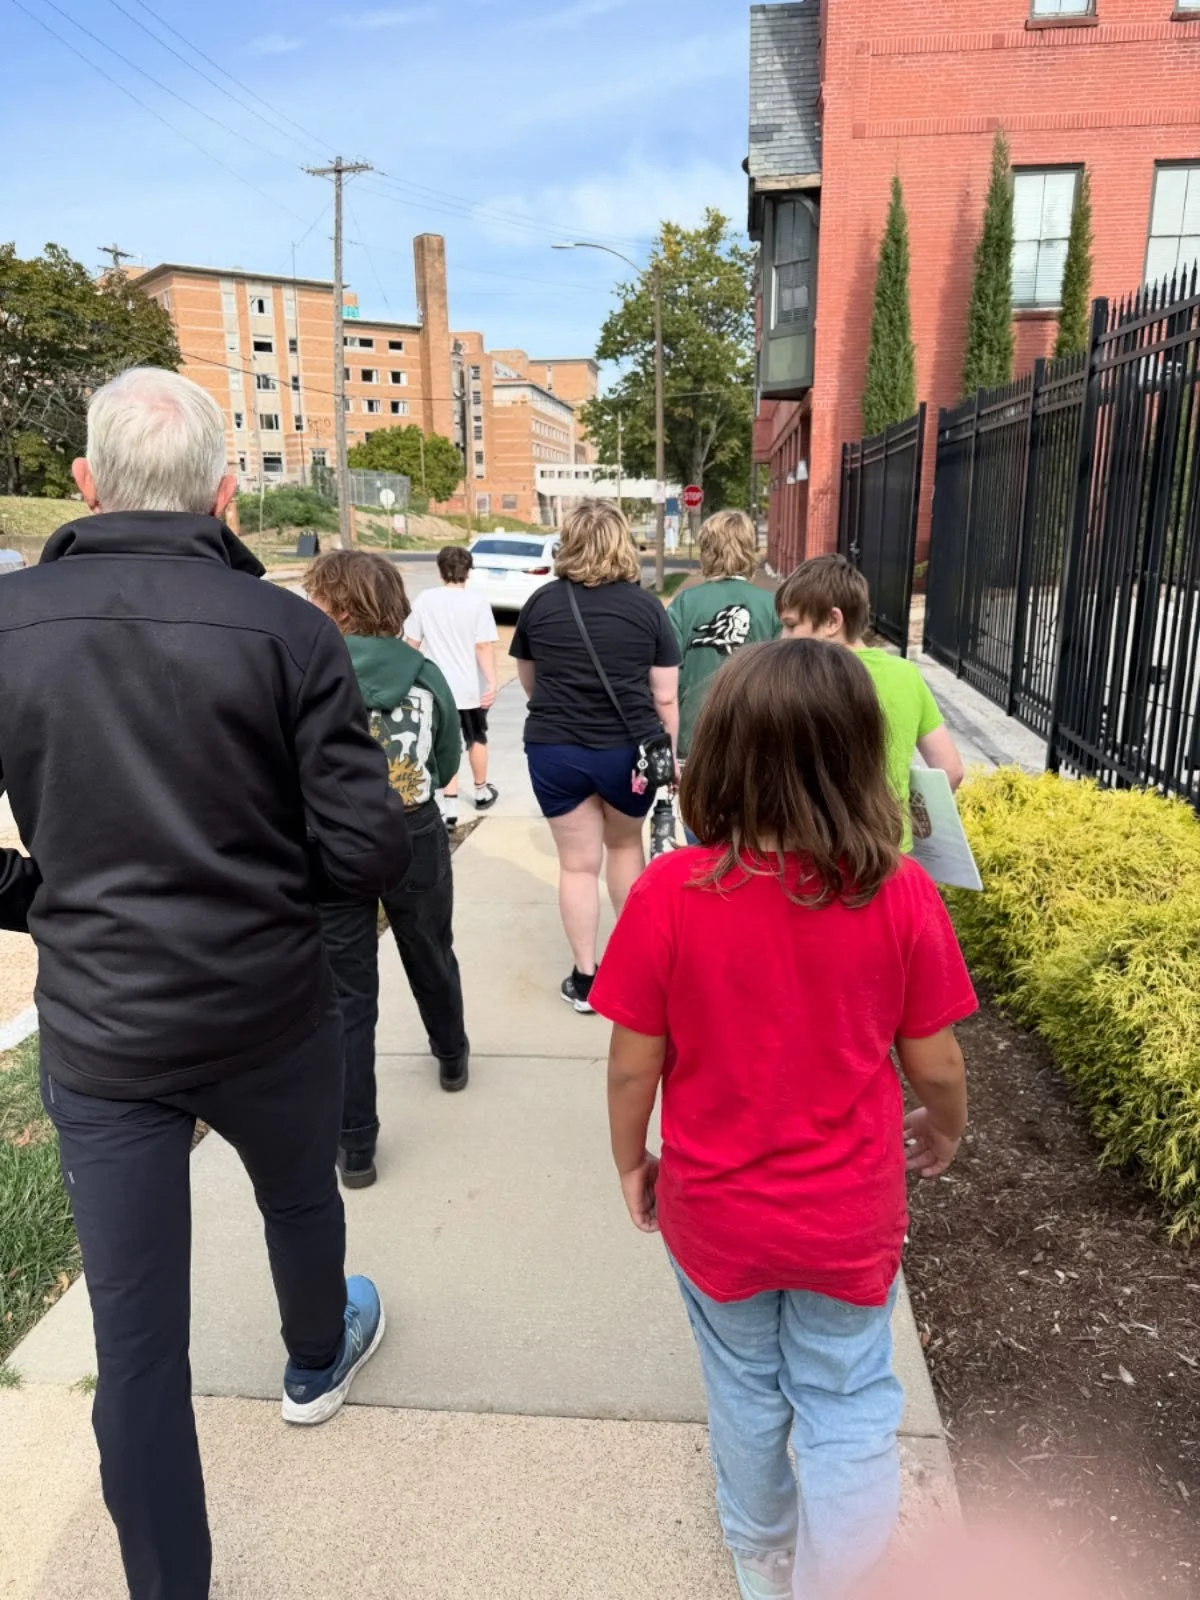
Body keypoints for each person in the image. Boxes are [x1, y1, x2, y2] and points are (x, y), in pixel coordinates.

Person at [0, 368, 412, 1600]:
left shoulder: (9, 626)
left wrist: (37, 900)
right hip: (268, 1006)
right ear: (228, 496)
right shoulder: (291, 632)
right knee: (300, 1203)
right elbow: (365, 850)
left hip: (105, 1026)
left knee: (136, 1347)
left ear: (84, 483)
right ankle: (311, 1355)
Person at [591, 639, 975, 1600]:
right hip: (848, 1214)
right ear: (860, 758)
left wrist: (631, 1159)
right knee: (846, 1401)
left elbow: (632, 1063)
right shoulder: (901, 895)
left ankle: (762, 1551)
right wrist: (945, 1127)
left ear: (718, 755)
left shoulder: (669, 896)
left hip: (714, 1212)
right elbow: (936, 1061)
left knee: (744, 1391)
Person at [305, 550, 469, 1190]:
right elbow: (448, 758)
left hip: (333, 841)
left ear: (341, 610)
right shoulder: (426, 674)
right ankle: (451, 1054)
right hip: (413, 831)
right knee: (430, 948)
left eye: (318, 599)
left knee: (346, 996)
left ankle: (356, 1146)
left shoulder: (313, 676)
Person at [510, 500, 679, 1013]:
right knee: (626, 852)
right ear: (622, 543)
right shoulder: (647, 608)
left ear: (569, 542)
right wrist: (667, 756)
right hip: (627, 754)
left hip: (555, 750)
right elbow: (665, 696)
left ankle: (586, 979)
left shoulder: (540, 604)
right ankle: (636, 973)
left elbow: (529, 683)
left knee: (578, 866)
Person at [775, 556, 964, 848]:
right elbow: (950, 770)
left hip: (817, 855)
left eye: (790, 625)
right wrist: (904, 821)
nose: (782, 638)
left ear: (831, 621)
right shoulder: (906, 675)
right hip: (890, 852)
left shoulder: (798, 679)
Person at [669, 506, 780, 764]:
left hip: (695, 733)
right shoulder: (773, 606)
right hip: (755, 735)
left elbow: (670, 674)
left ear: (707, 551)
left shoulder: (685, 603)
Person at [405, 544, 499, 827]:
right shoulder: (478, 603)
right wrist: (492, 681)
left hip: (436, 686)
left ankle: (450, 806)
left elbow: (412, 642)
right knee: (476, 738)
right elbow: (482, 646)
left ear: (440, 570)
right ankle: (481, 791)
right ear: (468, 572)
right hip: (470, 687)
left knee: (444, 744)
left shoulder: (425, 599)